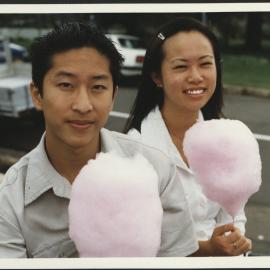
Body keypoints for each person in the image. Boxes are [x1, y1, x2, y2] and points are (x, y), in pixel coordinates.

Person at [0, 22, 198, 258]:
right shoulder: (10, 200)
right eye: (66, 85)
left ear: (113, 96)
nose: (83, 105)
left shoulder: (157, 170)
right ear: (37, 95)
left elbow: (177, 258)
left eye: (98, 87)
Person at [125, 17, 252, 256]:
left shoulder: (226, 139)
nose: (196, 76)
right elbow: (135, 242)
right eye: (181, 66)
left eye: (205, 64)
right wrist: (207, 250)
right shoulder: (135, 148)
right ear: (157, 77)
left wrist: (237, 241)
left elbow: (235, 217)